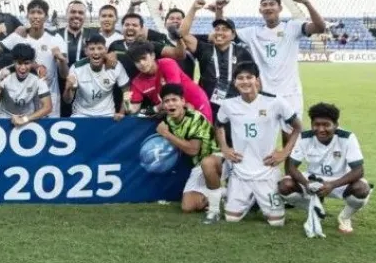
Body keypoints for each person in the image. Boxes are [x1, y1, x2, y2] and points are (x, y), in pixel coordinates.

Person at [215, 61, 302, 226]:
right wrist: (224, 148)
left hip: (266, 172)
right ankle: (235, 194)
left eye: (249, 77)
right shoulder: (228, 104)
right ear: (235, 82)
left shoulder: (275, 102)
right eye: (240, 78)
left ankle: (257, 198)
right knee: (231, 219)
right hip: (240, 172)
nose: (245, 81)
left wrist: (284, 153)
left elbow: (298, 127)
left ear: (257, 80)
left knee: (277, 223)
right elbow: (218, 125)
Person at [278, 103, 372, 234]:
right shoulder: (305, 137)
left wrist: (332, 185)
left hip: (340, 181)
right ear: (311, 124)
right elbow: (292, 167)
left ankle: (345, 217)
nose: (321, 129)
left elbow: (359, 171)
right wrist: (306, 183)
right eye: (316, 124)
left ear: (336, 125)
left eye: (326, 125)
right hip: (313, 180)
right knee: (284, 186)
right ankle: (315, 208)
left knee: (361, 189)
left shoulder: (347, 138)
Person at [234, 0, 326, 122]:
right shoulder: (252, 32)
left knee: (292, 132)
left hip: (290, 94)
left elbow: (320, 27)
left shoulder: (292, 27)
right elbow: (225, 34)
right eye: (264, 5)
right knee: (264, 133)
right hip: (264, 95)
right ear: (260, 10)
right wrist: (219, 11)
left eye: (272, 4)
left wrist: (306, 3)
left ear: (280, 8)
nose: (268, 7)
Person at [155, 84, 224, 223]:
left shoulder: (195, 118)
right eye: (166, 101)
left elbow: (193, 150)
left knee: (206, 163)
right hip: (199, 165)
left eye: (174, 100)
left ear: (183, 101)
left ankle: (221, 199)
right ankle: (223, 193)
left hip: (217, 159)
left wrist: (166, 134)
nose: (170, 104)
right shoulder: (168, 119)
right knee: (188, 206)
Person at [177, 0, 253, 119]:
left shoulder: (242, 52)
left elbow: (253, 79)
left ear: (233, 35)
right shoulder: (204, 48)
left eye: (225, 29)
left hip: (236, 106)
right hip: (207, 105)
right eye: (217, 29)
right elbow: (182, 34)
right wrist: (193, 9)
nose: (219, 32)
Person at [0, 0, 69, 117]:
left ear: (46, 17)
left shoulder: (55, 38)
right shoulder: (18, 36)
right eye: (32, 12)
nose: (36, 16)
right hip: (25, 98)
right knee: (25, 126)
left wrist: (62, 60)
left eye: (40, 13)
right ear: (27, 15)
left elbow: (64, 74)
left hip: (49, 96)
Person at [127, 41, 213, 122]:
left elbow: (174, 94)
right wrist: (126, 104)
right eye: (137, 61)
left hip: (196, 103)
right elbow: (133, 110)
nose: (141, 63)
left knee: (204, 132)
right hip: (173, 112)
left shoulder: (167, 64)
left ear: (153, 55)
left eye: (144, 58)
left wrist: (154, 109)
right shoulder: (137, 82)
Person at [63, 36, 128, 118]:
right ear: (86, 51)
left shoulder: (116, 66)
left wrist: (122, 112)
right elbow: (67, 101)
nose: (96, 52)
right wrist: (67, 89)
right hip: (81, 114)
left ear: (106, 50)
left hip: (107, 114)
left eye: (100, 48)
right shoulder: (76, 68)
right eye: (92, 49)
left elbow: (127, 91)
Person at [0, 44, 53, 126]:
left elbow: (48, 107)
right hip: (4, 118)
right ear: (14, 62)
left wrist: (25, 119)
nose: (23, 68)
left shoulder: (38, 77)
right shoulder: (4, 74)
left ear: (32, 63)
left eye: (26, 63)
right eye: (19, 63)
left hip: (28, 119)